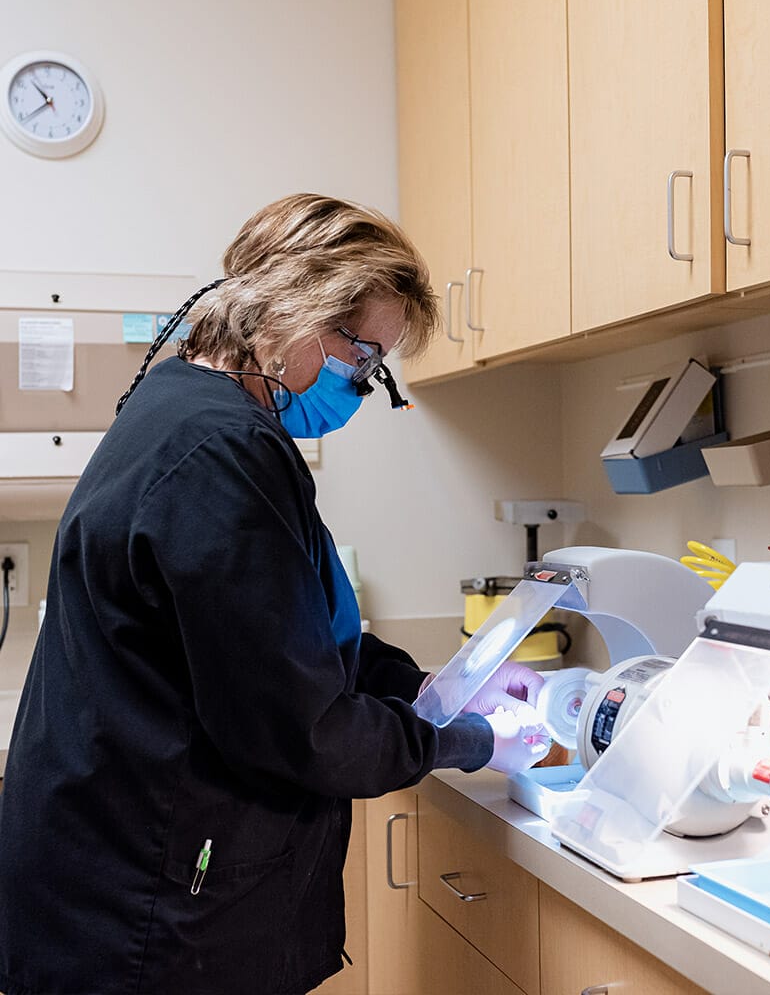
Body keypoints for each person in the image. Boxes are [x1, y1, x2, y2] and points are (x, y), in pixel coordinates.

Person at [0, 194, 550, 995]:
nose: (363, 387)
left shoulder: (184, 410)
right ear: (296, 311)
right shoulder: (219, 453)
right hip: (147, 922)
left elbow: (293, 635)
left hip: (117, 886)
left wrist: (429, 689)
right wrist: (468, 741)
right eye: (361, 356)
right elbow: (307, 730)